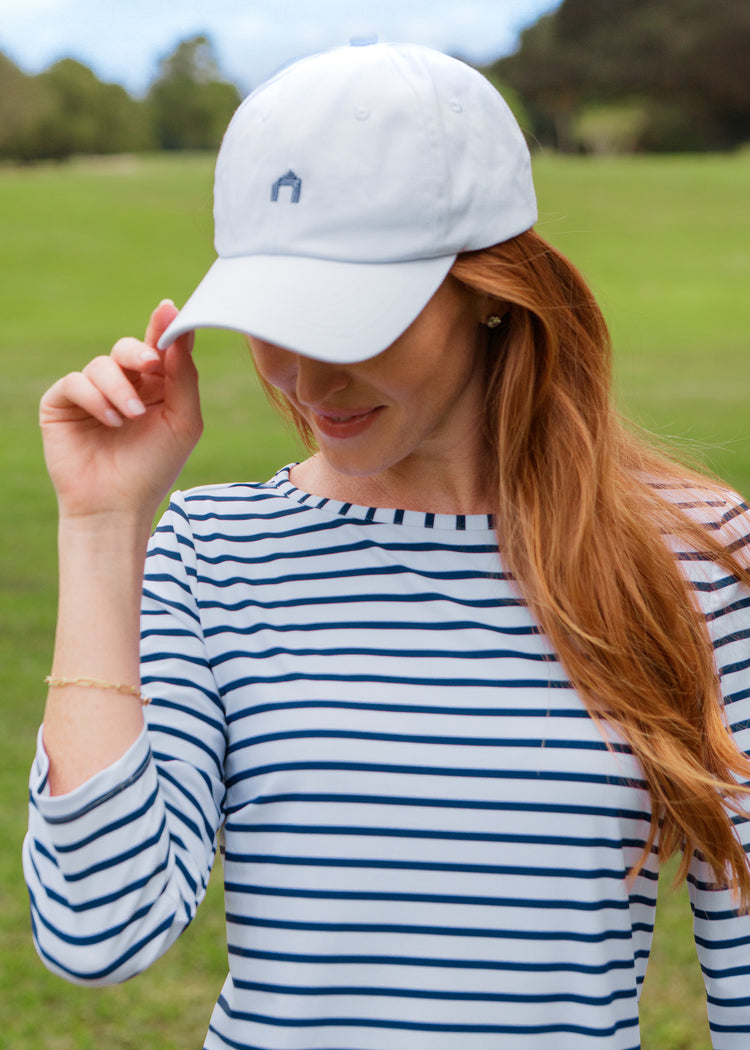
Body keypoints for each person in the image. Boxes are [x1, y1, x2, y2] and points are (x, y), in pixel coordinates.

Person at [23, 39, 750, 1050]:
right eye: (272, 320)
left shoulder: (696, 557)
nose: (308, 381)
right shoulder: (207, 554)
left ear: (490, 289)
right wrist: (103, 530)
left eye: (350, 323)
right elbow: (98, 932)